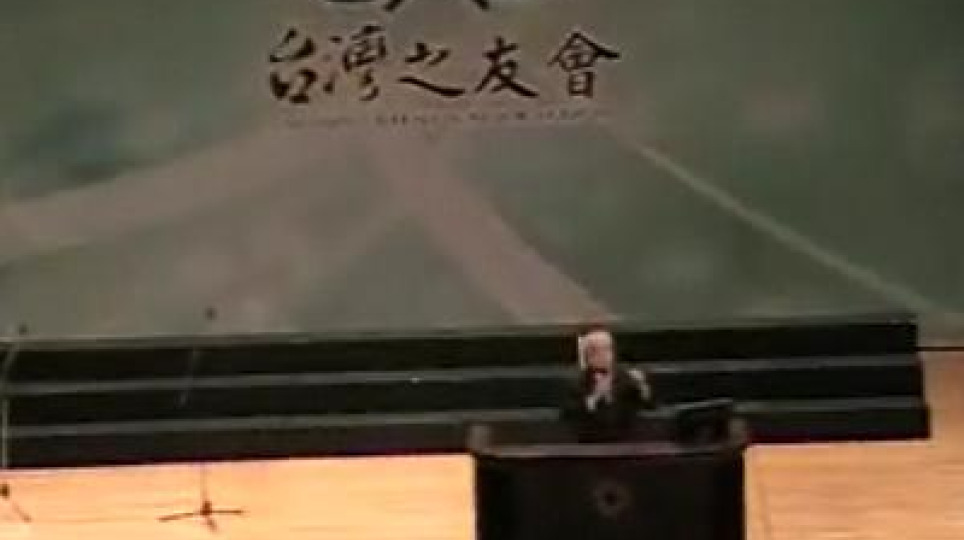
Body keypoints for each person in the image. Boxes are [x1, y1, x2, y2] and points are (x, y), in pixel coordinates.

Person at [560, 326, 654, 443]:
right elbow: (569, 416)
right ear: (588, 355)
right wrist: (595, 397)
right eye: (596, 350)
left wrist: (643, 386)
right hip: (590, 442)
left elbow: (649, 407)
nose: (605, 354)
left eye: (608, 349)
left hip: (627, 441)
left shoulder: (627, 377)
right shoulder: (576, 382)